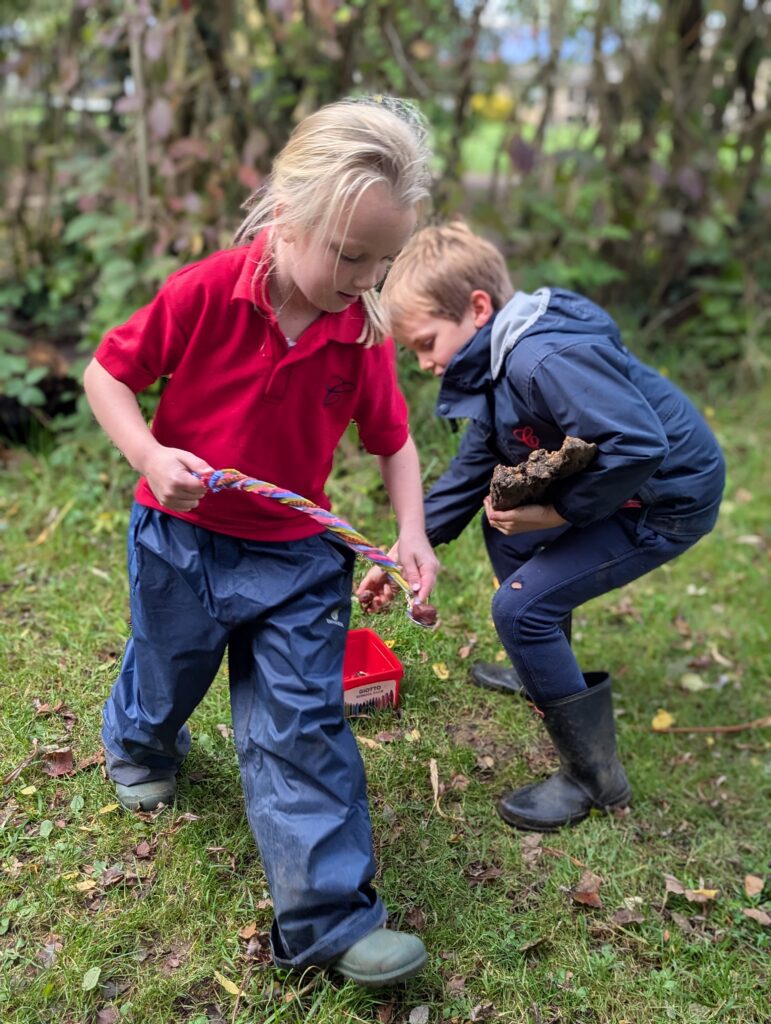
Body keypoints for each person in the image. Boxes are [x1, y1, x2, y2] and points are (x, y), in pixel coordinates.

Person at [82, 96, 440, 988]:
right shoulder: (205, 292)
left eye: (382, 260)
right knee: (168, 663)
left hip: (293, 561)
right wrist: (148, 452)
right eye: (350, 255)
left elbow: (392, 442)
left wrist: (410, 532)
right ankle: (138, 740)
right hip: (180, 539)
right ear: (286, 221)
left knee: (301, 725)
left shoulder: (359, 332)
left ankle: (328, 920)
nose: (365, 278)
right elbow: (107, 374)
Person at [359, 220, 725, 833]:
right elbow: (472, 471)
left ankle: (593, 779)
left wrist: (557, 512)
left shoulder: (540, 358)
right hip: (631, 490)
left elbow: (638, 444)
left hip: (666, 499)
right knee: (509, 529)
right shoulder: (501, 364)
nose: (423, 363)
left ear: (478, 309)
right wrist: (404, 551)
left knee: (519, 609)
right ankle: (547, 669)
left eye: (425, 343)